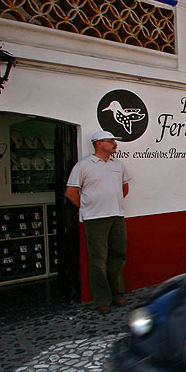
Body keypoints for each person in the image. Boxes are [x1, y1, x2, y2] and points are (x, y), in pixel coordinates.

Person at [65, 131, 131, 314]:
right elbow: (71, 193)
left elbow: (124, 188)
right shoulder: (83, 166)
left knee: (118, 256)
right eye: (111, 141)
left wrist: (112, 203)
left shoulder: (118, 164)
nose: (115, 144)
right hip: (94, 219)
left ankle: (118, 294)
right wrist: (88, 207)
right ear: (99, 143)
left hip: (117, 216)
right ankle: (102, 300)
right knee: (98, 261)